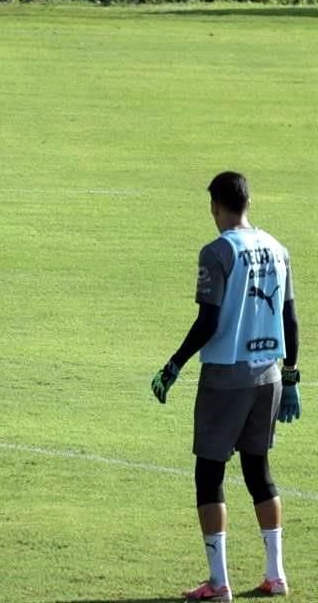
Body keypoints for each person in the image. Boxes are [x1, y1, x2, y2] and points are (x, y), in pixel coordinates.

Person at [151, 171, 300, 601]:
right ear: (248, 203)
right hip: (268, 375)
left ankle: (219, 584)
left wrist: (174, 365)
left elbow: (209, 321)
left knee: (209, 474)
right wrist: (290, 376)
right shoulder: (277, 249)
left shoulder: (217, 251)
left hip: (225, 378)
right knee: (259, 470)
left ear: (215, 205)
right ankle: (276, 575)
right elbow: (290, 320)